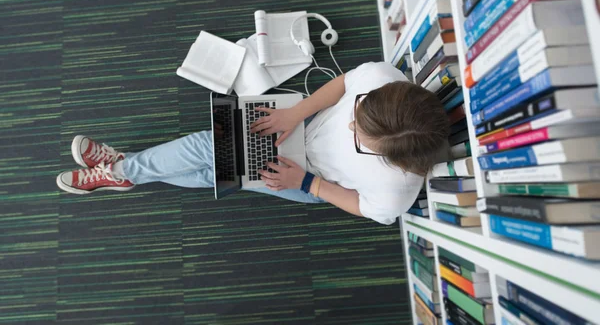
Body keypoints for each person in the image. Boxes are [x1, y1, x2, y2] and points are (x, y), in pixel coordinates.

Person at [56, 62, 449, 225]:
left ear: (391, 159)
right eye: (358, 113)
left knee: (219, 165)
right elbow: (345, 83)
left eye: (359, 138)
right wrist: (297, 113)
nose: (348, 124)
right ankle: (125, 171)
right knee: (214, 151)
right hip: (300, 127)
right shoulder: (381, 77)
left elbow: (364, 207)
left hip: (312, 181)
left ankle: (121, 170)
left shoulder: (397, 190)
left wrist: (308, 184)